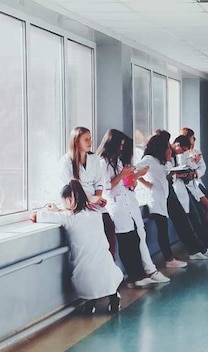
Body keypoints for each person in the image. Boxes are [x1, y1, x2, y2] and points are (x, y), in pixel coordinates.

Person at [31, 181, 123, 314]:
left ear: (69, 200)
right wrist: (62, 210)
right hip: (109, 273)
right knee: (106, 271)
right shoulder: (96, 214)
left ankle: (89, 303)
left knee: (88, 278)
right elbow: (79, 212)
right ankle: (114, 299)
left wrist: (53, 210)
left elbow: (33, 216)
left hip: (84, 278)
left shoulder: (68, 219)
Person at [96, 129, 169, 287]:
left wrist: (133, 179)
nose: (121, 149)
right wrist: (123, 176)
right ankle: (133, 276)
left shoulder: (118, 161)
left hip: (127, 202)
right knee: (125, 241)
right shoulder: (102, 163)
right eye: (120, 145)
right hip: (116, 206)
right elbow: (106, 188)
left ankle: (139, 274)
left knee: (134, 238)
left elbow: (125, 184)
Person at [58, 126, 116, 258]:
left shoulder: (94, 159)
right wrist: (89, 200)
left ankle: (109, 266)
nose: (90, 142)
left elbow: (99, 182)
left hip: (95, 203)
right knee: (92, 236)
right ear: (76, 141)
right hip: (77, 204)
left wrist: (98, 199)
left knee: (109, 227)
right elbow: (69, 190)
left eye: (90, 139)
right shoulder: (65, 162)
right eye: (86, 139)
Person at [135, 134, 188, 269]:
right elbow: (134, 171)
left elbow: (167, 175)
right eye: (166, 148)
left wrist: (169, 158)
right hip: (155, 200)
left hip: (162, 198)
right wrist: (147, 184)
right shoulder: (149, 159)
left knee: (163, 229)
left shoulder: (162, 161)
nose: (169, 150)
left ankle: (169, 258)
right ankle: (169, 259)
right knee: (162, 230)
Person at [181, 127, 208, 216]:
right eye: (192, 138)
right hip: (188, 184)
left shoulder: (196, 151)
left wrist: (195, 172)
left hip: (196, 180)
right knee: (206, 205)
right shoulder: (183, 153)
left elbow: (203, 167)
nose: (194, 140)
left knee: (207, 203)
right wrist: (194, 162)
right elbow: (185, 167)